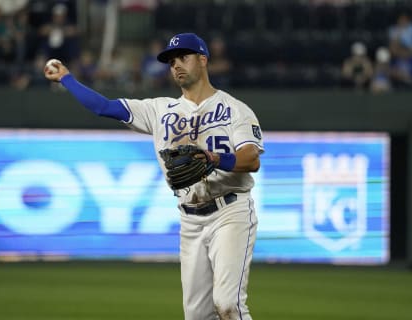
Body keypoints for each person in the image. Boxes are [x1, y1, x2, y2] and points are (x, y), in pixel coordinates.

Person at [44, 32, 264, 320]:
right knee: (197, 316)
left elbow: (251, 160)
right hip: (190, 218)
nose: (176, 65)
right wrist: (67, 79)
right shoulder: (160, 110)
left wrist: (215, 158)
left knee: (228, 305)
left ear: (203, 59)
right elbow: (104, 107)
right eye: (171, 61)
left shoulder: (235, 109)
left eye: (183, 57)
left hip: (230, 211)